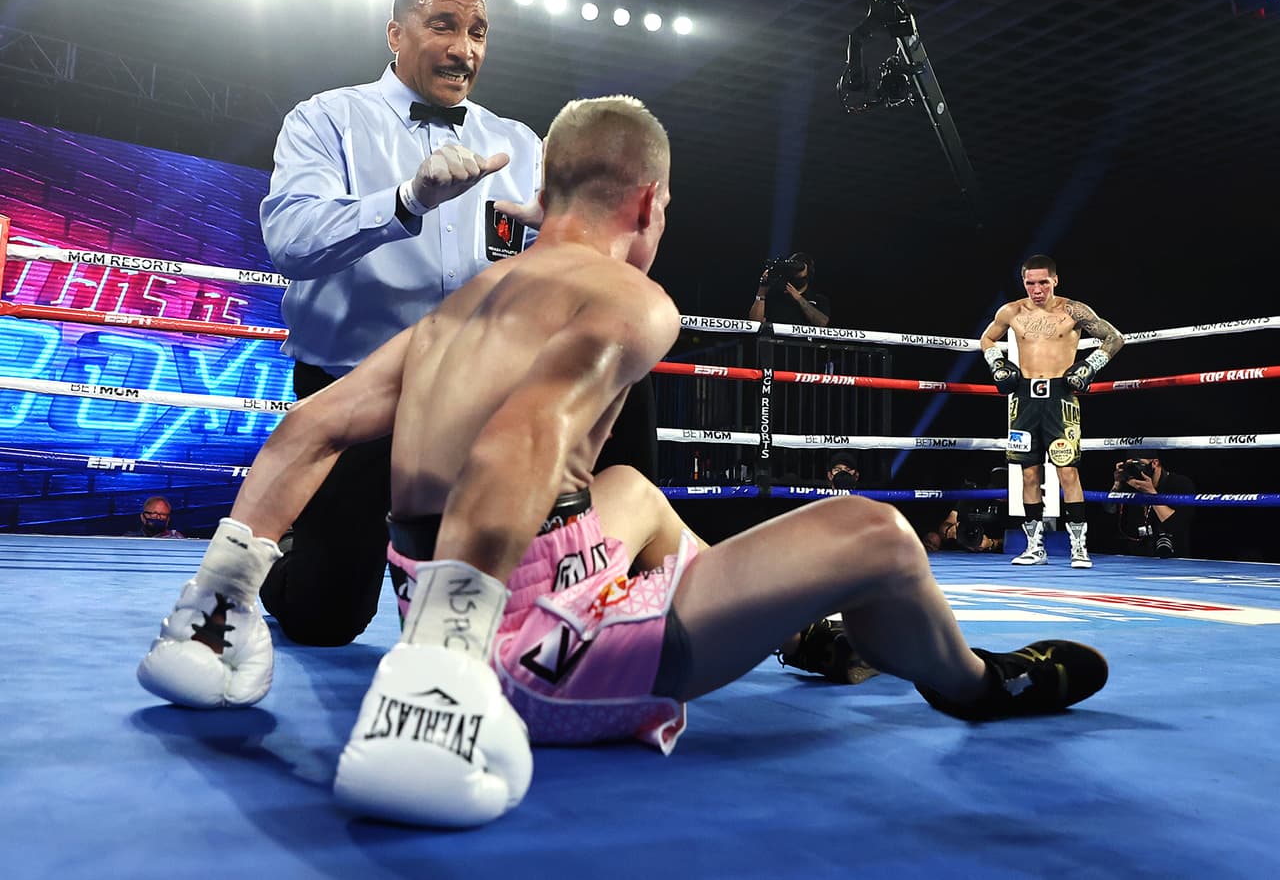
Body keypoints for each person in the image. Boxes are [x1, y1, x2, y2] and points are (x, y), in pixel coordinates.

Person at [139, 96, 1108, 830]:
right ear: (647, 203)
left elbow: (308, 426)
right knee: (877, 534)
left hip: (455, 600)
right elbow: (523, 438)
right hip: (520, 660)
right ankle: (974, 685)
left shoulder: (459, 307)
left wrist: (217, 601)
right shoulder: (631, 300)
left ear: (544, 195)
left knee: (628, 489)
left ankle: (793, 629)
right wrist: (446, 662)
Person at [255, 0, 544, 647]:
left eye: (477, 31)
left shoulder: (519, 145)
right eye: (443, 24)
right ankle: (281, 543)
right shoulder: (326, 119)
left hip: (472, 408)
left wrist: (566, 238)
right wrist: (403, 202)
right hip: (352, 398)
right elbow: (290, 241)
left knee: (472, 630)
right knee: (324, 618)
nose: (464, 48)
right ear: (394, 32)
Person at [980, 254, 1125, 570]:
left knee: (1067, 471)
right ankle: (1034, 547)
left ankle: (1079, 548)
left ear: (1055, 280)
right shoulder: (1011, 311)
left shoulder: (1073, 310)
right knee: (1028, 472)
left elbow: (1114, 338)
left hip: (1061, 397)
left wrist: (1089, 366)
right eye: (1030, 283)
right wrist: (998, 364)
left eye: (1043, 282)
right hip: (1023, 398)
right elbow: (987, 338)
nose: (1036, 289)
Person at [1104, 449, 1195, 558]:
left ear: (1155, 463)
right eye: (1130, 466)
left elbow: (1176, 525)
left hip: (1173, 558)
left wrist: (1151, 494)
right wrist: (1117, 484)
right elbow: (1109, 510)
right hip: (1136, 559)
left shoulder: (1180, 483)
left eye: (1137, 464)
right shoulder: (1131, 484)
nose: (1135, 470)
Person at [747, 252, 830, 327]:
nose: (795, 273)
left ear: (809, 272)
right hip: (775, 342)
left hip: (803, 343)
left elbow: (822, 323)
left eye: (799, 269)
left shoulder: (818, 299)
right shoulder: (775, 295)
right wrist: (762, 291)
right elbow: (755, 323)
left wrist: (799, 298)